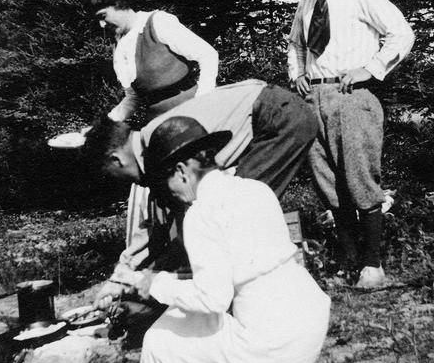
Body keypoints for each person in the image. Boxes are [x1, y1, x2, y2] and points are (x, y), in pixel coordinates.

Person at [132, 116, 331, 363]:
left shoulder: (200, 213)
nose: (170, 194)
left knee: (160, 343)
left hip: (273, 343)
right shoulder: (256, 189)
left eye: (167, 182)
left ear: (182, 171)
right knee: (193, 323)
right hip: (310, 325)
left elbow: (212, 300)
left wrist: (155, 284)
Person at [80, 79, 318, 315]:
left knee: (233, 211)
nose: (121, 182)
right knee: (222, 216)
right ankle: (217, 293)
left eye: (111, 175)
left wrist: (135, 278)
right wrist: (123, 276)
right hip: (276, 109)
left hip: (280, 118)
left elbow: (166, 221)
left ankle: (243, 301)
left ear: (116, 159)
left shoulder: (156, 142)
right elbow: (158, 223)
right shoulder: (147, 141)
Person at [284, 0, 415, 289]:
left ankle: (372, 266)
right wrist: (298, 74)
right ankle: (348, 262)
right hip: (314, 97)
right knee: (327, 181)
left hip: (351, 95)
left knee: (359, 178)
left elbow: (401, 33)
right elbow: (296, 46)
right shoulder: (307, 4)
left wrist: (371, 69)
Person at [85, 0, 219, 123]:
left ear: (119, 3)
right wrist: (101, 127)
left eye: (103, 16)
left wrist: (202, 102)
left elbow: (208, 55)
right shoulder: (120, 47)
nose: (102, 25)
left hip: (193, 113)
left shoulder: (158, 22)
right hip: (158, 124)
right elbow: (133, 98)